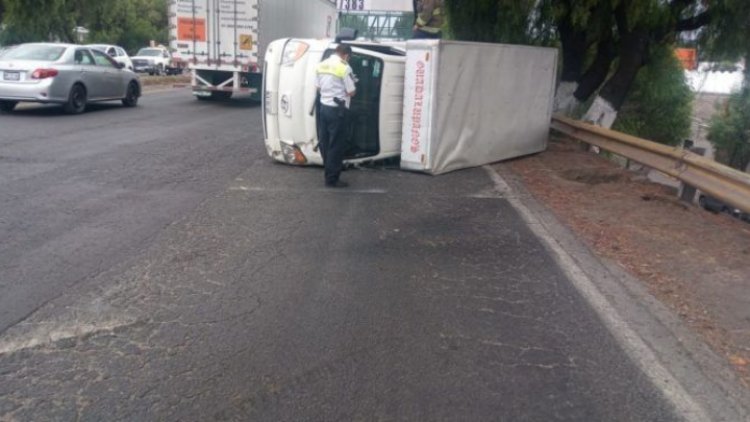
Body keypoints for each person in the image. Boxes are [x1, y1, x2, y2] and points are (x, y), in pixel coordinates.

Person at [315, 44, 357, 188]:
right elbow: (351, 92)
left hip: (323, 109)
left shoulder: (321, 65)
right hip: (337, 111)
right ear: (346, 55)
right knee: (336, 145)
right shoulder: (344, 67)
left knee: (326, 143)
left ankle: (330, 170)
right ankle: (332, 179)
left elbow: (318, 87)